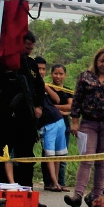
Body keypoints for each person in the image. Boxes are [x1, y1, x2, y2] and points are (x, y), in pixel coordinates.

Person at [0, 31, 46, 190]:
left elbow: (39, 87)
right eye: (26, 47)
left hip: (27, 116)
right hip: (7, 115)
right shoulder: (7, 62)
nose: (28, 51)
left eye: (31, 48)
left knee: (26, 154)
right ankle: (4, 186)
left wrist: (39, 106)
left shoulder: (32, 64)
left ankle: (26, 189)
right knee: (5, 151)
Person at [66, 48, 104, 207]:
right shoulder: (85, 76)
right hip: (88, 123)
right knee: (87, 159)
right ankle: (78, 195)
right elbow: (76, 100)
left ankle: (96, 198)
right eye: (102, 61)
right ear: (96, 61)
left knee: (102, 161)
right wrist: (75, 122)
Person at [36, 57, 68, 192]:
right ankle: (53, 182)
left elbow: (57, 99)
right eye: (39, 69)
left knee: (59, 155)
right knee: (49, 154)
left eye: (43, 69)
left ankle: (58, 183)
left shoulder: (47, 86)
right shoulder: (31, 85)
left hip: (59, 122)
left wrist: (46, 88)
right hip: (46, 124)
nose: (41, 72)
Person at [50, 64, 72, 187]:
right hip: (50, 126)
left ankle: (61, 183)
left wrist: (53, 108)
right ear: (51, 74)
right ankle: (50, 182)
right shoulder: (48, 89)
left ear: (65, 75)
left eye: (61, 74)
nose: (58, 76)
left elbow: (71, 107)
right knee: (49, 155)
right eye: (56, 73)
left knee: (62, 156)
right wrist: (63, 111)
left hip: (65, 126)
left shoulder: (68, 91)